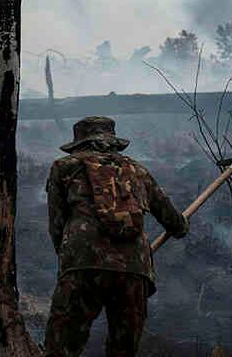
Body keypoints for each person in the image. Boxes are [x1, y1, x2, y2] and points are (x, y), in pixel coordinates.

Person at [43, 116, 189, 357]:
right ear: (113, 142)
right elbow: (174, 222)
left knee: (61, 347)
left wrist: (69, 258)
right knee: (123, 349)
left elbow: (56, 225)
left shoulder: (64, 167)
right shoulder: (138, 171)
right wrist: (182, 226)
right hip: (134, 270)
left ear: (80, 142)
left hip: (82, 264)